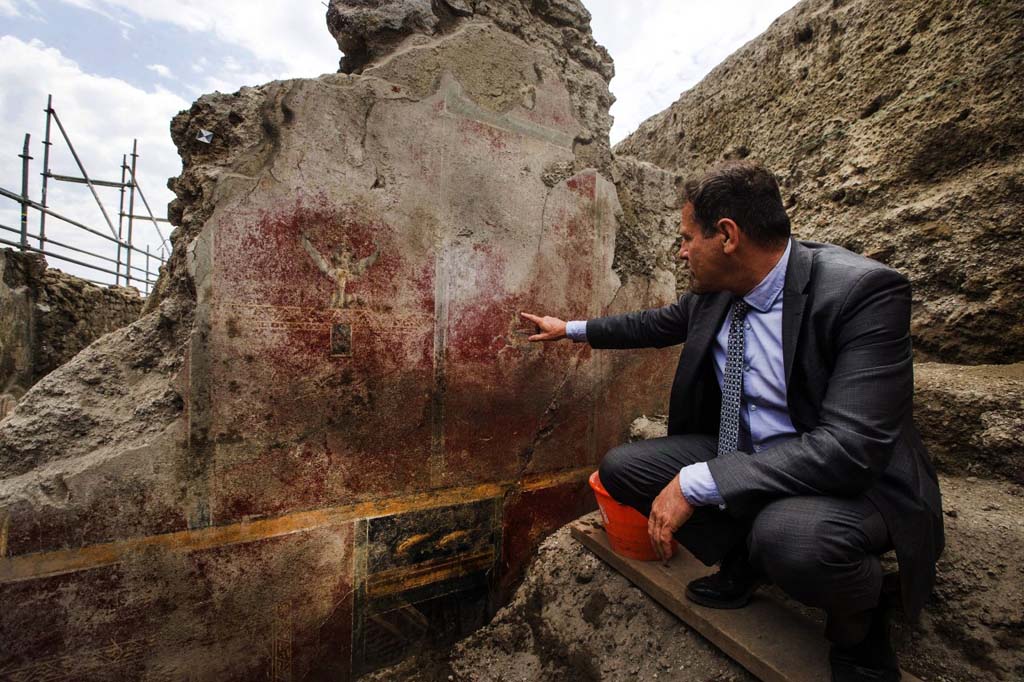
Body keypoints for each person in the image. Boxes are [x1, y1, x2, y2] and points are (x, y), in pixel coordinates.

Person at [520, 161, 943, 682]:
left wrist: (701, 481)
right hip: (753, 452)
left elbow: (850, 448)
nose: (680, 251)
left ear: (727, 236)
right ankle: (744, 560)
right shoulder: (717, 291)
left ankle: (862, 630)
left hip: (855, 482)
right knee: (622, 469)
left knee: (790, 537)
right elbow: (654, 324)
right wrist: (571, 329)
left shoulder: (863, 293)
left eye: (686, 238)